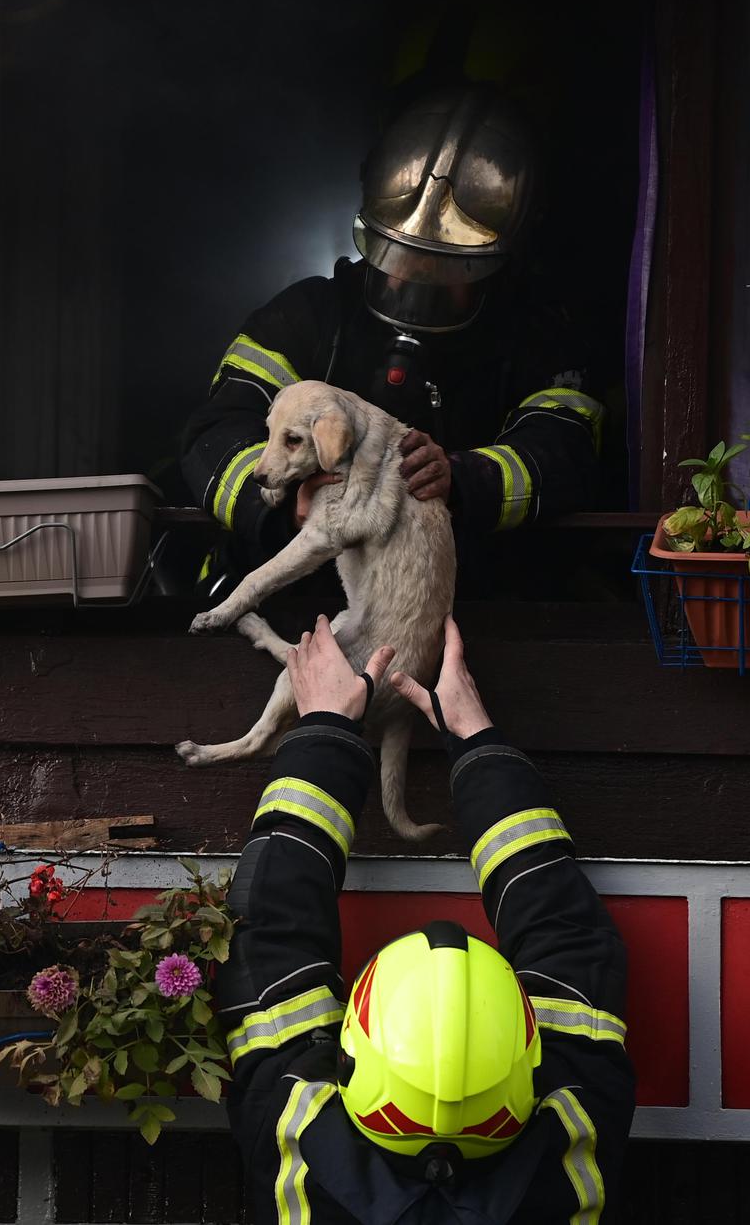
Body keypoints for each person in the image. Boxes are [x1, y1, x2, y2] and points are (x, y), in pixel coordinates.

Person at [216, 613, 635, 1222]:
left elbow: (268, 938)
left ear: (353, 1052)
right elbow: (568, 942)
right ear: (526, 1057)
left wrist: (327, 728)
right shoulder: (572, 1146)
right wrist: (475, 739)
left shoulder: (299, 1140)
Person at [181, 83, 605, 603]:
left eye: (446, 270)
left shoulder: (537, 336)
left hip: (448, 613)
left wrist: (463, 479)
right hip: (288, 605)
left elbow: (566, 453)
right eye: (398, 256)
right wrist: (289, 500)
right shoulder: (306, 317)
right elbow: (213, 434)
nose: (412, 283)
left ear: (499, 262)